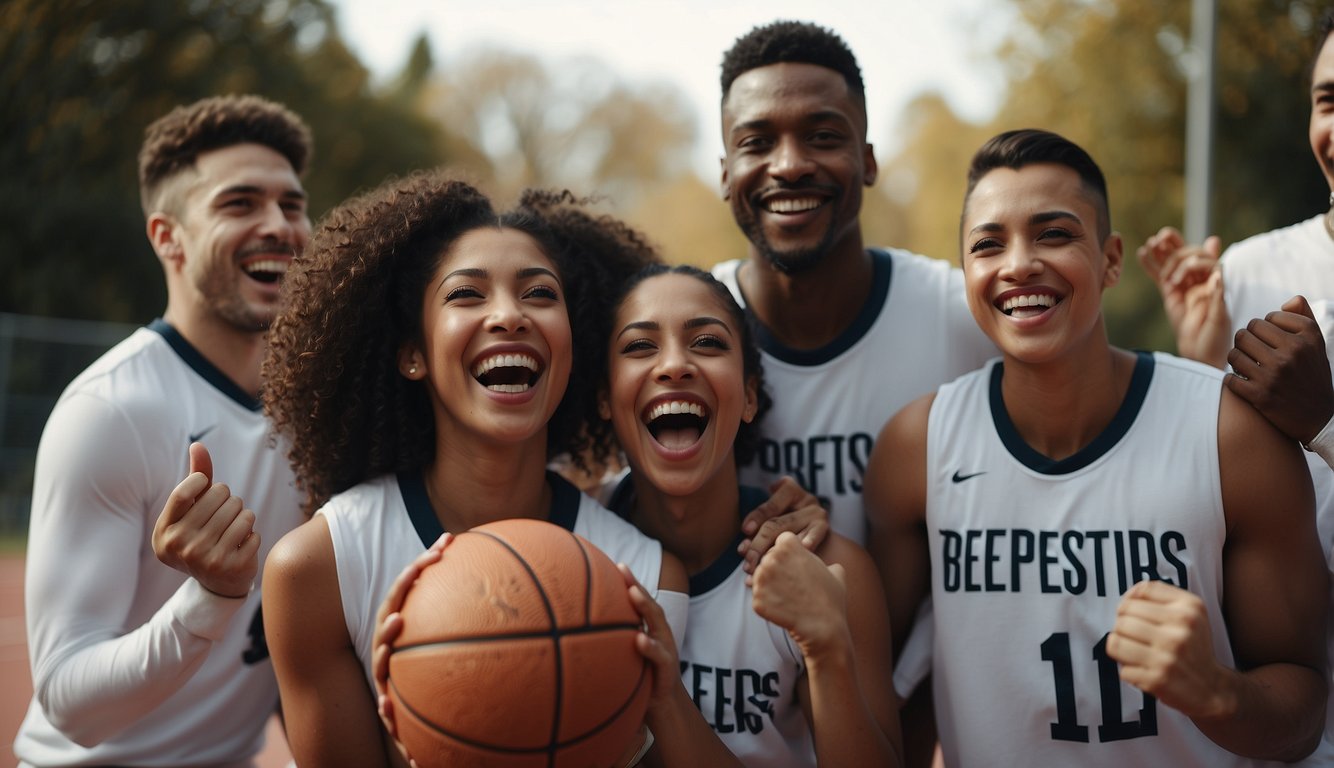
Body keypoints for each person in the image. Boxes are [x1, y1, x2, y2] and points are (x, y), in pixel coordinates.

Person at [869, 128, 1328, 765]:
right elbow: (893, 685)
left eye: (1054, 234)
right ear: (968, 274)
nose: (1019, 263)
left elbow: (1306, 706)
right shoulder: (914, 448)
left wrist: (1218, 693)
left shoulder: (1231, 436)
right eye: (987, 245)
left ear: (1111, 260)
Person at [259, 171, 700, 767]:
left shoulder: (647, 576)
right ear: (412, 354)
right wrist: (418, 731)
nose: (509, 316)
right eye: (467, 294)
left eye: (540, 294)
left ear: (576, 344)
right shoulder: (319, 569)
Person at [708, 21, 996, 762]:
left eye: (823, 135)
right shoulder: (677, 340)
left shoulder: (961, 316)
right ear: (724, 170)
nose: (789, 164)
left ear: (867, 161)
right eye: (756, 141)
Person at [15, 95, 311, 766]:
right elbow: (70, 704)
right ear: (167, 237)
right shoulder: (112, 410)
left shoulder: (321, 410)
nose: (280, 226)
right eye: (240, 204)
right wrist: (211, 598)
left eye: (292, 205)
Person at [598, 264, 903, 766]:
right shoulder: (571, 544)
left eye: (708, 343)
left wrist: (828, 652)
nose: (674, 365)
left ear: (750, 397)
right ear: (605, 399)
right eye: (639, 346)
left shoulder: (826, 569)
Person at [1136, 12, 1334, 763]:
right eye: (1327, 100)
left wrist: (1324, 424)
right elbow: (1190, 494)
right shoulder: (1248, 273)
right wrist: (1196, 362)